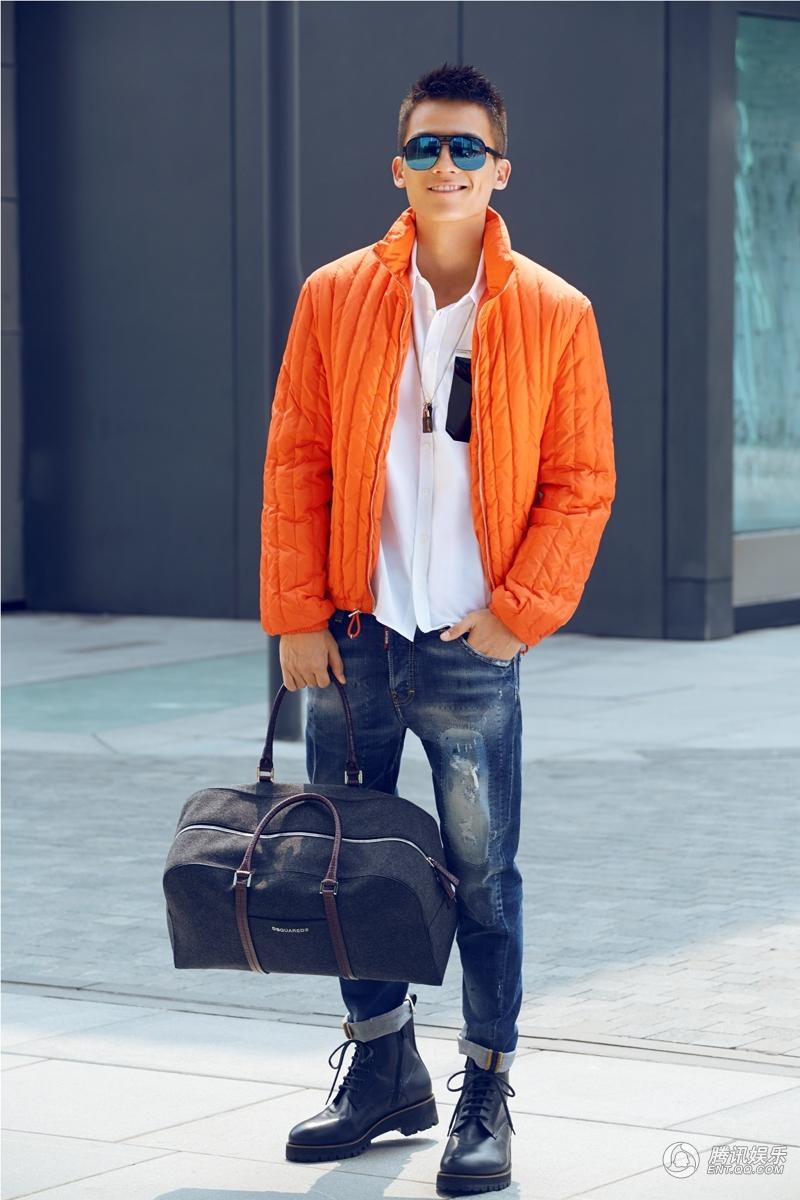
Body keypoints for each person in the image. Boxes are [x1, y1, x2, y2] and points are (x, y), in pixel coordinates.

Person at [260, 60, 616, 1197]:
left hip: (470, 646)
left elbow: (580, 482)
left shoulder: (554, 312)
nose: (447, 163)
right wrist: (296, 614)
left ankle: (484, 1089)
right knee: (346, 863)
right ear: (398, 166)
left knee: (482, 877)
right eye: (428, 146)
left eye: (468, 147)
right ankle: (381, 1073)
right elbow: (296, 458)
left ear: (500, 169)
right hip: (351, 635)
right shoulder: (334, 296)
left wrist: (519, 616)